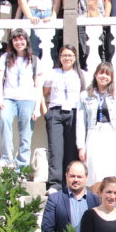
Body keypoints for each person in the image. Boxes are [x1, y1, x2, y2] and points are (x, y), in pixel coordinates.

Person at [0, 29, 42, 168]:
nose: (19, 42)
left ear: (26, 41)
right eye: (15, 40)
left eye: (21, 39)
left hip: (28, 99)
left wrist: (37, 108)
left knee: (26, 132)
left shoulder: (34, 59)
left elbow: (38, 86)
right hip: (9, 98)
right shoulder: (5, 58)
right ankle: (6, 157)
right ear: (11, 42)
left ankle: (22, 163)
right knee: (4, 121)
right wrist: (0, 98)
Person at [77, 61, 116, 192]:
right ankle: (96, 200)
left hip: (114, 134)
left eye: (107, 74)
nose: (104, 76)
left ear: (112, 77)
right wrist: (81, 146)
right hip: (94, 133)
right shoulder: (85, 95)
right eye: (101, 73)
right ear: (96, 74)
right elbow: (80, 122)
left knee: (113, 168)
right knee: (95, 169)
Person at [43, 44, 86, 192]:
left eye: (70, 55)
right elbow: (43, 92)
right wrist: (46, 112)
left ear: (75, 58)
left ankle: (69, 183)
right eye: (64, 55)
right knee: (56, 149)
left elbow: (85, 94)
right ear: (59, 57)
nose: (67, 58)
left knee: (71, 150)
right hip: (56, 112)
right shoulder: (53, 73)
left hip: (74, 114)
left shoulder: (80, 74)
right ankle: (54, 184)